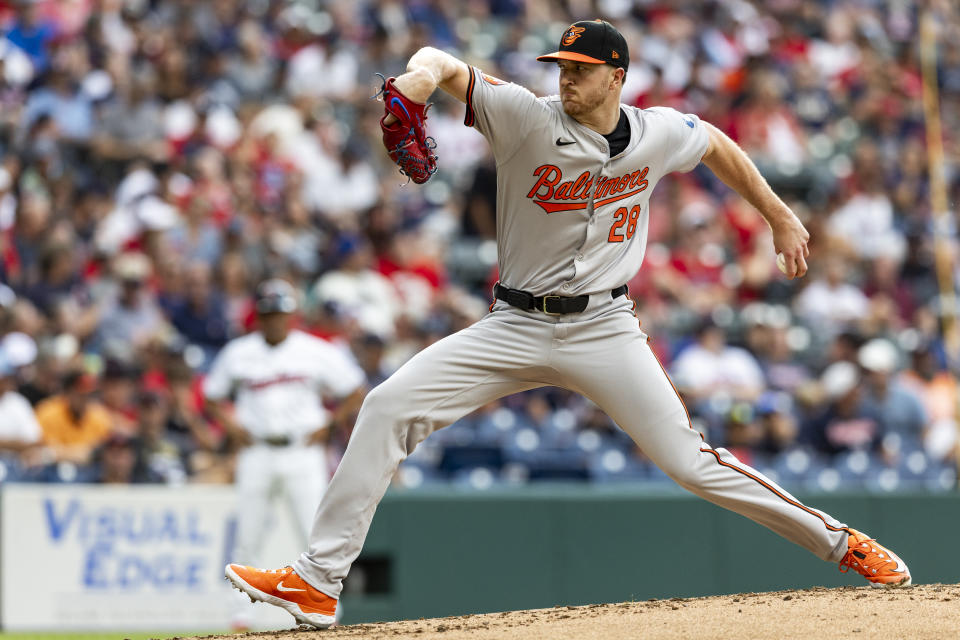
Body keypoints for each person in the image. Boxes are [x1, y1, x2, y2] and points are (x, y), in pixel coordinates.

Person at [225, 21, 912, 628]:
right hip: (514, 323)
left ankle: (839, 542)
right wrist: (416, 79)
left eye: (580, 70)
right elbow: (444, 61)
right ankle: (318, 584)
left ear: (617, 76)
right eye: (561, 67)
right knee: (385, 407)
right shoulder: (525, 116)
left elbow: (716, 144)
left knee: (691, 463)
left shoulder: (656, 131)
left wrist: (778, 212)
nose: (566, 79)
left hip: (605, 328)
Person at [203, 278, 366, 629]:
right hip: (257, 450)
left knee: (313, 534)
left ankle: (326, 608)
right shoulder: (239, 352)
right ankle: (240, 614)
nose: (274, 319)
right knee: (248, 533)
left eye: (280, 312)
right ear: (258, 316)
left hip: (301, 450)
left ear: (291, 315)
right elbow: (212, 395)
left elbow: (355, 389)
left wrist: (330, 424)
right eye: (268, 312)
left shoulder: (315, 349)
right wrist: (232, 427)